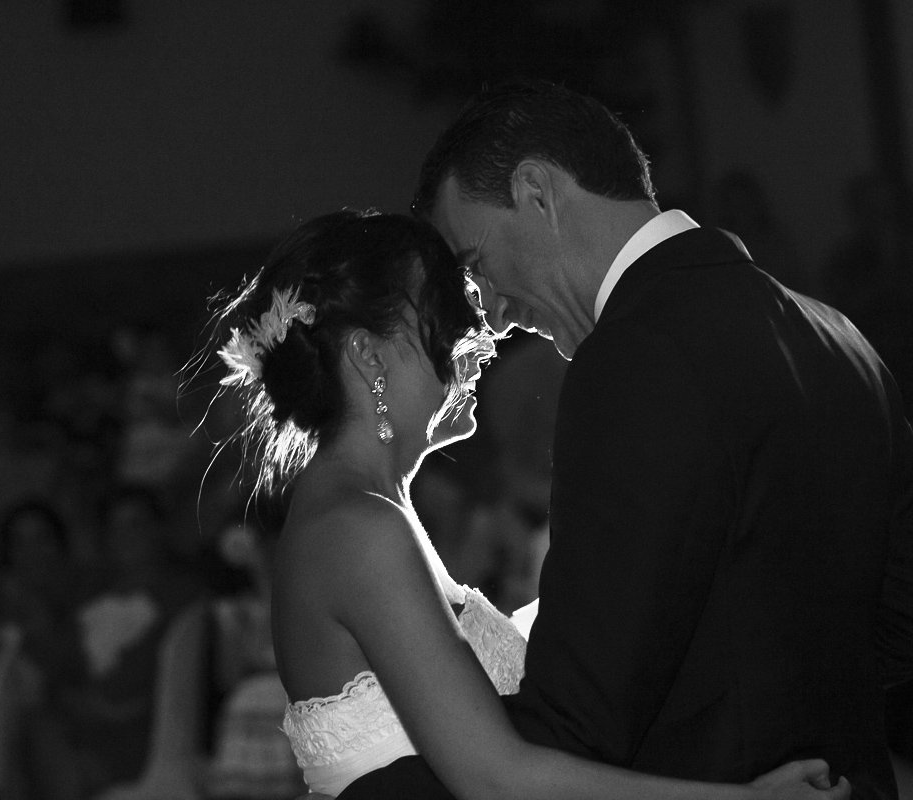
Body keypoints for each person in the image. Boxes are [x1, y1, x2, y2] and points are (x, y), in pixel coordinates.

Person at [195, 208, 849, 800]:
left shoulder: (365, 511)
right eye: (446, 315)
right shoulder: (358, 528)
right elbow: (494, 777)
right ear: (369, 356)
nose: (479, 339)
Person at [408, 78, 913, 799]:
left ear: (536, 191)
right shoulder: (837, 334)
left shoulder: (633, 357)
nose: (488, 308)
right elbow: (900, 616)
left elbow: (580, 714)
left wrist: (363, 786)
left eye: (474, 264)